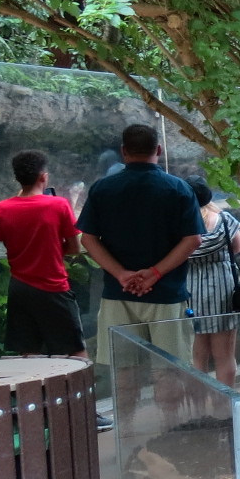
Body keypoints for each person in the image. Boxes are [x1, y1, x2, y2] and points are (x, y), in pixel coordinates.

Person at [76, 125, 203, 417]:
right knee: (168, 369)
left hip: (117, 295)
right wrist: (156, 273)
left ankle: (127, 433)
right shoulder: (178, 189)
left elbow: (87, 239)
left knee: (124, 371)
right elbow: (193, 239)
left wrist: (121, 274)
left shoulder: (102, 188)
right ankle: (170, 431)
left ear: (123, 152)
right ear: (158, 150)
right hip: (167, 296)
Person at [0, 148, 88, 358]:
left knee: (29, 353)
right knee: (76, 352)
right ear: (43, 177)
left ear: (17, 178)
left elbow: (11, 244)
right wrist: (52, 248)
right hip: (52, 286)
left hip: (20, 288)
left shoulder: (1, 209)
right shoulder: (59, 205)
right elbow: (75, 248)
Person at [183, 176, 240, 389]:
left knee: (198, 356)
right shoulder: (224, 220)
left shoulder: (180, 225)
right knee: (225, 355)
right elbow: (236, 248)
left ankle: (200, 409)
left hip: (191, 291)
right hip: (223, 290)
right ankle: (224, 408)